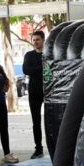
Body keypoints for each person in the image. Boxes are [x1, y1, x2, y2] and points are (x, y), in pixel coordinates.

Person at [23, 30, 46, 159]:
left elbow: (51, 69)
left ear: (43, 40)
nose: (35, 42)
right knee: (35, 122)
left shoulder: (48, 54)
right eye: (34, 40)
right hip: (34, 92)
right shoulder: (29, 55)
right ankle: (38, 148)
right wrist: (41, 68)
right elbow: (26, 69)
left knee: (49, 121)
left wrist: (36, 69)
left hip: (48, 91)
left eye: (38, 39)